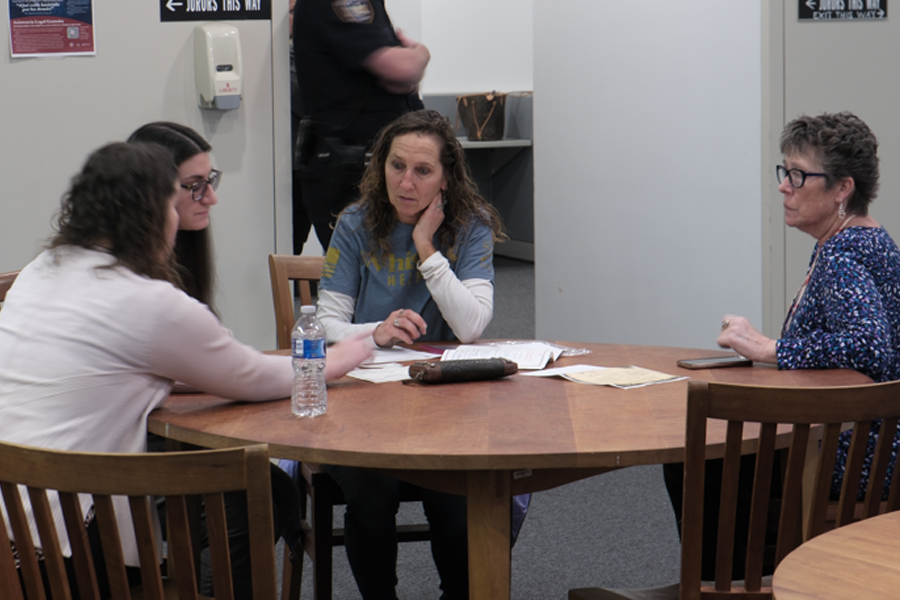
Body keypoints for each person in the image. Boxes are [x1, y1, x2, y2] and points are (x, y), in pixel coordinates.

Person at [0, 142, 371, 599]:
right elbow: (249, 376)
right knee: (255, 488)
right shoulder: (147, 301)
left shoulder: (39, 271)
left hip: (9, 527)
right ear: (151, 214)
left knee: (259, 490)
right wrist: (340, 358)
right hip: (66, 550)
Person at [667, 111, 900, 579]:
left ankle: (730, 583)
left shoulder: (842, 255)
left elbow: (870, 347)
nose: (784, 186)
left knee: (696, 457)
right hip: (880, 446)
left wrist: (770, 349)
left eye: (798, 175)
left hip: (853, 452)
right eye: (785, 172)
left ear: (842, 188)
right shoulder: (872, 240)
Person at [317, 108, 504, 599]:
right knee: (371, 492)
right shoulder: (355, 223)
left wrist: (425, 245)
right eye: (396, 166)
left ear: (446, 179)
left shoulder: (471, 226)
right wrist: (377, 332)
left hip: (445, 402)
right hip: (363, 398)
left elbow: (471, 326)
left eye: (422, 171)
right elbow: (325, 326)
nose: (405, 183)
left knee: (460, 494)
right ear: (380, 165)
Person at [293, 0, 431, 250]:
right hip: (353, 163)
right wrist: (421, 54)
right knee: (368, 267)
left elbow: (402, 79)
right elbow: (402, 68)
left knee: (402, 262)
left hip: (372, 157)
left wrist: (408, 69)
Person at [127, 121, 219, 312]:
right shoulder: (127, 276)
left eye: (209, 180)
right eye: (195, 185)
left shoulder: (186, 245)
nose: (211, 198)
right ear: (154, 191)